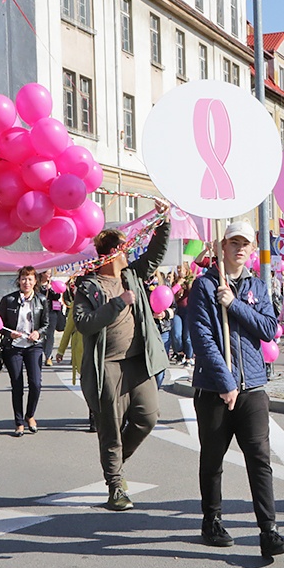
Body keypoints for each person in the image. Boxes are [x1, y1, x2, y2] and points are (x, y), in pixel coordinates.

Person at [188, 220, 284, 558]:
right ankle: (212, 519)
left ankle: (268, 531)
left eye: (246, 243)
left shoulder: (257, 287)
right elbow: (202, 339)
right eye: (234, 242)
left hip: (253, 389)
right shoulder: (204, 287)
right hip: (214, 391)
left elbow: (269, 329)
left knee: (260, 460)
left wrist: (234, 304)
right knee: (213, 459)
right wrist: (225, 382)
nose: (241, 249)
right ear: (223, 246)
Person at [74, 199, 171, 511]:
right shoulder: (88, 286)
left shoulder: (132, 275)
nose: (128, 253)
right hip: (107, 367)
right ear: (111, 253)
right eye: (124, 249)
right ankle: (116, 484)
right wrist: (117, 303)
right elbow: (83, 323)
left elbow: (154, 255)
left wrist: (164, 221)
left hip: (138, 362)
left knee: (148, 417)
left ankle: (115, 461)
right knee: (111, 427)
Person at [0, 266, 49, 437]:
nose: (26, 282)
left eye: (30, 279)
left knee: (36, 383)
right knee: (17, 384)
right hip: (14, 347)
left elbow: (46, 324)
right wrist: (9, 333)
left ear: (35, 281)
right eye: (23, 279)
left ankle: (30, 415)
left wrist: (38, 332)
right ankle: (19, 422)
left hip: (34, 346)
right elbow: (0, 325)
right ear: (18, 281)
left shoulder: (41, 300)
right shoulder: (8, 300)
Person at [55, 279, 91, 431]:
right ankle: (94, 414)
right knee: (88, 385)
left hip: (100, 351)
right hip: (81, 351)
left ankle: (98, 413)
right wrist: (61, 351)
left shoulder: (102, 305)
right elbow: (68, 330)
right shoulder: (75, 308)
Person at [170, 263, 195, 366]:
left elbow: (193, 293)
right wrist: (178, 284)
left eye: (181, 268)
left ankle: (189, 357)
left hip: (188, 310)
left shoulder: (191, 280)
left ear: (186, 270)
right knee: (177, 334)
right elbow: (170, 294)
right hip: (177, 310)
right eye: (178, 268)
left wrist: (188, 283)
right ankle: (180, 352)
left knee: (187, 337)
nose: (179, 270)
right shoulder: (175, 281)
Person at [37, 270, 62, 366]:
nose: (50, 275)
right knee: (41, 334)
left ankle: (48, 356)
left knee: (50, 335)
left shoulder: (53, 284)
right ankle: (44, 353)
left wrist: (51, 289)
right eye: (48, 273)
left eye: (50, 273)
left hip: (51, 312)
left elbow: (57, 296)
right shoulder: (37, 285)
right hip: (39, 313)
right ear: (42, 274)